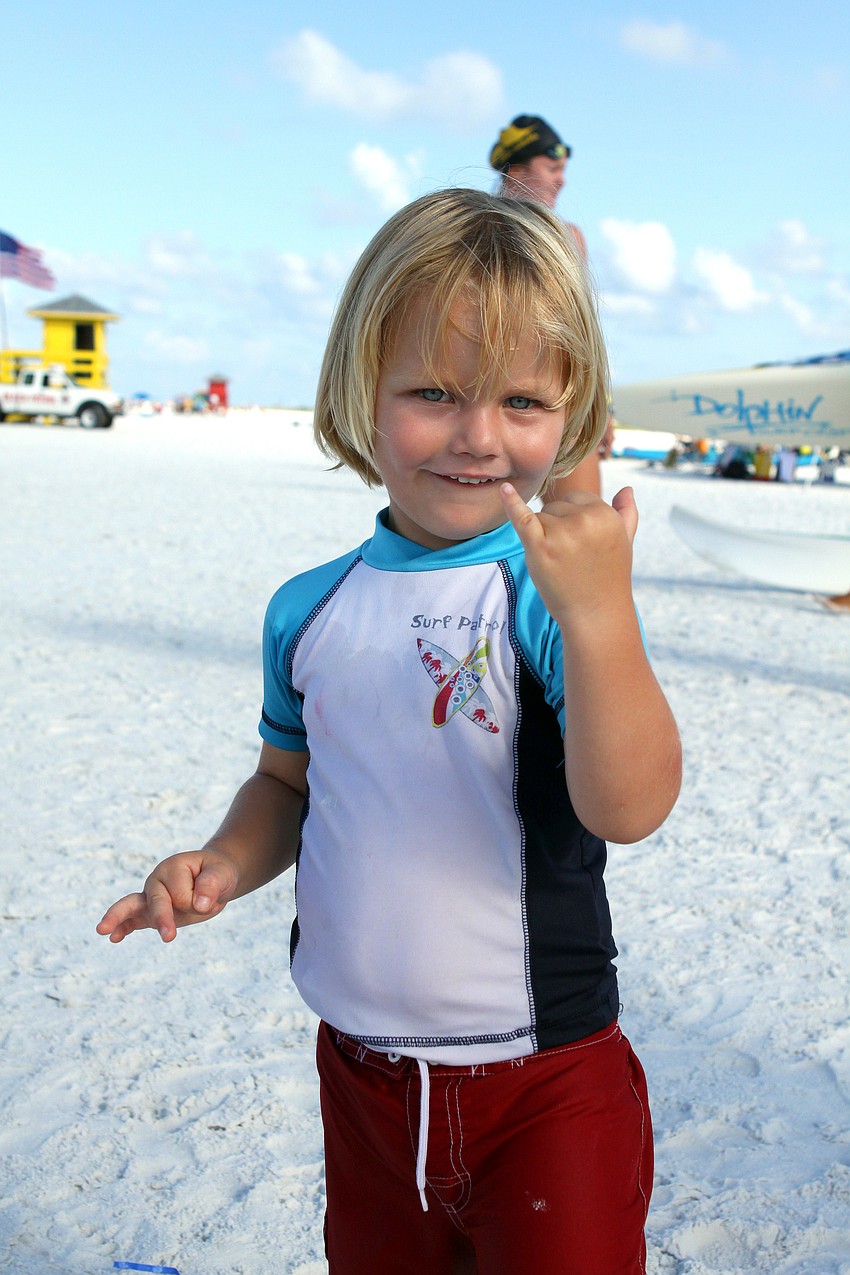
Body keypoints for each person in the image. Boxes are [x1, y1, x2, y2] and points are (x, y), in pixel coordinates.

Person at [98, 189, 682, 1275]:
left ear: (572, 409)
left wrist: (603, 619)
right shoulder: (307, 608)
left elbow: (631, 806)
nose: (477, 437)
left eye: (520, 400)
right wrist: (224, 859)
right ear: (358, 394)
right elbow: (287, 785)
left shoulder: (548, 596)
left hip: (545, 1080)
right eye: (432, 393)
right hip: (360, 1079)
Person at [490, 113, 615, 498]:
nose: (562, 179)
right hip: (487, 400)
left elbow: (584, 336)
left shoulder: (568, 238)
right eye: (552, 167)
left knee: (578, 520)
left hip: (556, 398)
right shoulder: (476, 226)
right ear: (517, 168)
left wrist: (600, 406)